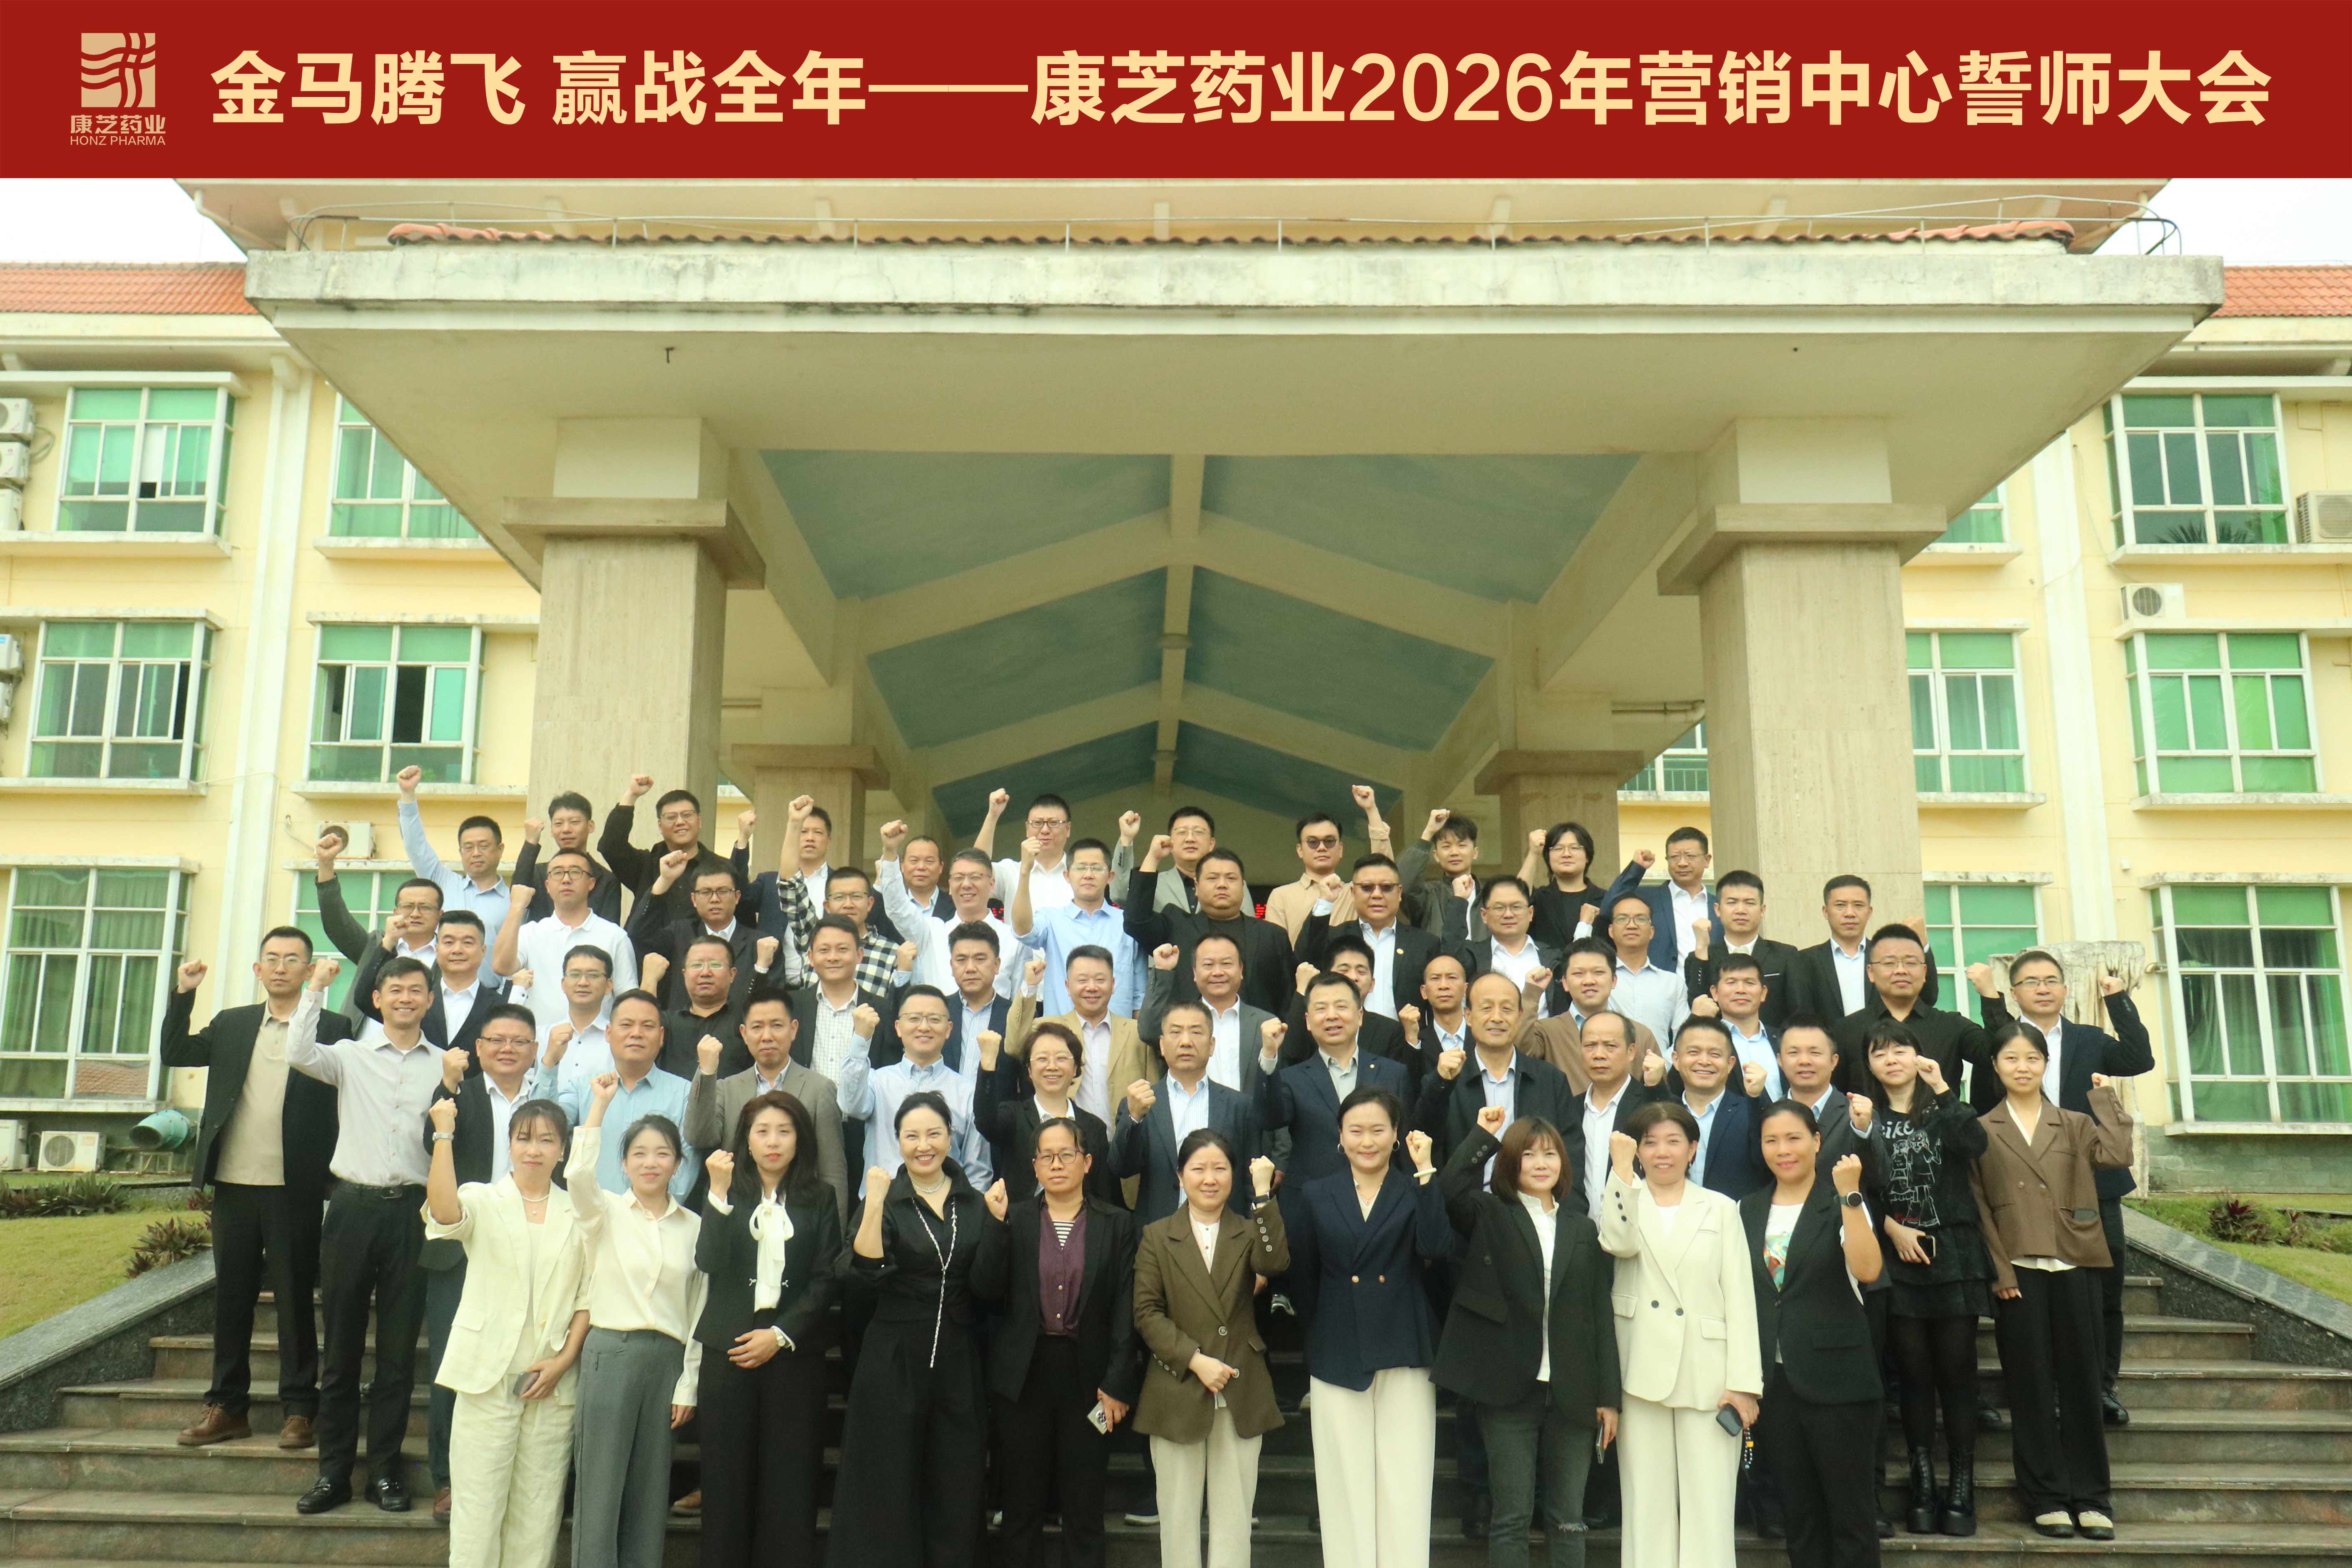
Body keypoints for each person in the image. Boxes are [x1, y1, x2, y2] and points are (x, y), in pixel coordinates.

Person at [159, 930, 350, 1451]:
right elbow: (176, 1051)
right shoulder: (233, 1023)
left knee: (294, 1299)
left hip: (295, 1185)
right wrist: (184, 993)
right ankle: (227, 1406)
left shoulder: (333, 1027)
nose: (281, 967)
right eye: (272, 958)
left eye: (292, 959)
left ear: (309, 970)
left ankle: (300, 1409)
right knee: (232, 1299)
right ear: (257, 969)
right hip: (234, 1183)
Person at [1967, 951, 2155, 1424]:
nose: (2043, 988)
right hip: (2023, 1193)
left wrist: (2117, 1000)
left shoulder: (2089, 1039)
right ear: (2015, 993)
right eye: (2031, 981)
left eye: (2051, 980)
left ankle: (2101, 1387)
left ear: (2066, 989)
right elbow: (1984, 1109)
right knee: (2037, 1297)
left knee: (2104, 1293)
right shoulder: (2004, 1045)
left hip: (2093, 1185)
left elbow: (2139, 1058)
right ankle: (2045, 1388)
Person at [283, 955, 439, 1515]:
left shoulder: (446, 1065)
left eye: (415, 990)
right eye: (395, 989)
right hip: (352, 1208)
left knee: (398, 1355)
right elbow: (298, 1052)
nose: (405, 998)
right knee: (342, 1352)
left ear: (429, 999)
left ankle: (385, 1472)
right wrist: (314, 990)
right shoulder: (350, 1055)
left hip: (413, 1213)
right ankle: (333, 1474)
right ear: (377, 998)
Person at [1971, 1022, 2133, 1541]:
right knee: (2030, 1385)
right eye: (2011, 1058)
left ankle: (2092, 1497)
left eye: (2032, 1058)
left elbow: (2118, 1155)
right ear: (1995, 1066)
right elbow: (1979, 1208)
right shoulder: (1981, 1129)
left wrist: (2105, 1098)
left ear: (2046, 1065)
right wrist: (1999, 1271)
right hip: (2018, 1270)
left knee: (2083, 1383)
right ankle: (2045, 1496)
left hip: (2075, 1261)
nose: (2022, 1067)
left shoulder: (2075, 1122)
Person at [1436, 1109, 1620, 1568]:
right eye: (1529, 1154)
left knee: (1568, 1519)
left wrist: (1609, 1397)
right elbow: (1449, 1189)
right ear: (1510, 1163)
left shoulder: (1582, 1227)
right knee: (1511, 1517)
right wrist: (1484, 1134)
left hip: (1574, 1391)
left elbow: (1598, 1314)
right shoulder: (1492, 1213)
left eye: (1550, 1153)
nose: (1541, 1163)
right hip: (1509, 1390)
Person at [831, 1093, 1006, 1568]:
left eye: (934, 1134)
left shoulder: (975, 1203)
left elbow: (989, 1287)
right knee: (887, 1482)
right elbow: (863, 1273)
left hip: (958, 1357)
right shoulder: (887, 1198)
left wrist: (996, 1224)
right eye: (911, 1136)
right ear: (898, 1140)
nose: (923, 1145)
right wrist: (873, 1202)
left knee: (956, 1480)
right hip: (893, 1355)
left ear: (951, 1137)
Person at [421, 1093, 588, 1568]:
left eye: (547, 1140)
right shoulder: (482, 1198)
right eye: (524, 1138)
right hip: (486, 1377)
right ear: (510, 1144)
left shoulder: (581, 1212)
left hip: (550, 1383)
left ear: (563, 1150)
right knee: (477, 1512)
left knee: (538, 1516)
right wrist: (443, 1134)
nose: (534, 1149)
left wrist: (564, 1361)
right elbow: (444, 1214)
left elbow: (587, 1297)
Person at [972, 1115, 1144, 1568]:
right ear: (1033, 1165)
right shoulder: (1014, 1218)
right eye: (1046, 1156)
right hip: (1022, 1377)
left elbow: (1126, 1308)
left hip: (1091, 1378)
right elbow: (985, 1289)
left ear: (1087, 1162)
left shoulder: (1118, 1224)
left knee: (1084, 1507)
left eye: (1066, 1154)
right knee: (1021, 1506)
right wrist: (994, 1225)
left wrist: (1118, 1382)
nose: (1056, 1164)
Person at [1289, 1087, 1450, 1568]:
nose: (1367, 1141)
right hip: (1337, 1346)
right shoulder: (1316, 1193)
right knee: (1344, 1486)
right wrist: (1321, 1334)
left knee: (1406, 1482)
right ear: (1340, 1136)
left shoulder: (1415, 1186)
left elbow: (1437, 1247)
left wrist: (1426, 1171)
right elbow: (1304, 1278)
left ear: (1396, 1134)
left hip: (1405, 1343)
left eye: (1378, 1130)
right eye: (1356, 1130)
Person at [1598, 1101, 1763, 1568]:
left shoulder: (1721, 1208)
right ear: (1636, 1151)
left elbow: (1740, 1297)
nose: (1662, 1152)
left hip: (1708, 1374)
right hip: (1639, 1371)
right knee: (1644, 1507)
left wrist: (1744, 1383)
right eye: (1649, 1143)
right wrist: (1620, 1173)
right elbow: (1617, 1243)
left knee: (1710, 1508)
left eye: (1673, 1142)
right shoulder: (1623, 1198)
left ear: (1693, 1149)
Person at [694, 1091, 843, 1568]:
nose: (773, 1141)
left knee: (790, 1483)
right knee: (726, 1483)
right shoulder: (726, 1191)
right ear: (747, 1140)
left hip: (794, 1351)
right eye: (762, 1131)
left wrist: (779, 1334)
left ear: (801, 1139)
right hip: (729, 1348)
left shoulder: (820, 1198)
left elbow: (826, 1278)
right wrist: (718, 1193)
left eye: (784, 1131)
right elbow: (708, 1260)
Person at [1859, 1018, 1993, 1538]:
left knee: (1957, 1373)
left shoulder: (1944, 1107)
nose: (1891, 1059)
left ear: (1919, 1056)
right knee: (1913, 1374)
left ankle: (1961, 1486)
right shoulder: (1866, 1116)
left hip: (1953, 1255)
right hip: (1897, 1258)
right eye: (1879, 1053)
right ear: (1869, 1065)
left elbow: (1976, 1143)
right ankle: (1922, 1484)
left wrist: (1942, 1087)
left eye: (1900, 1049)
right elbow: (1857, 1187)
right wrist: (1890, 1227)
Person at [567, 1073, 705, 1568]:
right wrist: (600, 1106)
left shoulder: (695, 1227)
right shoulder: (604, 1211)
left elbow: (698, 1311)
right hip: (611, 1353)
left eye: (663, 1153)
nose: (651, 1162)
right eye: (640, 1153)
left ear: (678, 1164)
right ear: (624, 1164)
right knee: (600, 1488)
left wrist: (689, 1383)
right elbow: (577, 1175)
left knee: (650, 1491)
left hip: (666, 1362)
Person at [1132, 1131, 1287, 1568]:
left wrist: (1263, 1196)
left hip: (1240, 1384)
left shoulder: (1249, 1228)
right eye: (1198, 1169)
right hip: (1177, 1386)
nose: (1210, 1178)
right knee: (1177, 1522)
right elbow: (1146, 1312)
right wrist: (1195, 1360)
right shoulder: (1156, 1235)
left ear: (1234, 1176)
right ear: (1180, 1176)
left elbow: (1275, 1262)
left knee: (1235, 1521)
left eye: (1220, 1168)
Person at [1741, 1104, 1884, 1568]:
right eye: (1771, 1140)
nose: (1783, 1150)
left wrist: (1850, 1196)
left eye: (1794, 1138)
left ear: (1817, 1141)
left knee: (1851, 1517)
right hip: (1776, 1385)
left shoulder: (1841, 1200)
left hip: (1839, 1382)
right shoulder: (1747, 1208)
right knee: (1799, 1518)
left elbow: (1868, 1269)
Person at [418, 1003, 544, 1521]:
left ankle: (518, 1479)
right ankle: (449, 1479)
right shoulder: (458, 1095)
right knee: (453, 1363)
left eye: (519, 1041)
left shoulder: (547, 1099)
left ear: (534, 1049)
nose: (508, 1048)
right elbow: (429, 1142)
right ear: (480, 1048)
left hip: (531, 1247)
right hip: (461, 1247)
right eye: (497, 1040)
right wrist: (447, 1085)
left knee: (524, 1358)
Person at [682, 988, 850, 1226]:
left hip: (801, 1219)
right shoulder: (727, 1089)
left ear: (793, 1030)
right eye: (757, 1027)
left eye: (777, 1026)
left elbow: (833, 1172)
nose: (767, 1036)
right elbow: (697, 1137)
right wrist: (707, 1073)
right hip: (738, 1217)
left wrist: (835, 1235)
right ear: (744, 1033)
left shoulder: (820, 1089)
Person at [1113, 998, 1261, 1225]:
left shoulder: (1240, 1106)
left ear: (1211, 1045)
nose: (1185, 1042)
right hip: (1159, 1231)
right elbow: (1121, 1168)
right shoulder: (1139, 1103)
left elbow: (1251, 1181)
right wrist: (1133, 1119)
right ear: (1162, 1045)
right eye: (1176, 1032)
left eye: (1196, 1032)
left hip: (1225, 1231)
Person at [1259, 972, 1412, 1189]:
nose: (1331, 1016)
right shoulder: (1291, 1079)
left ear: (1360, 1016)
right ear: (1308, 1021)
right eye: (1321, 1009)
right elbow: (1268, 1119)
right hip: (1311, 1201)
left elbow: (1404, 1147)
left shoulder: (1393, 1074)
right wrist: (1269, 1055)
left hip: (1381, 1197)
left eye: (1341, 1007)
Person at [835, 984, 995, 1185]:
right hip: (883, 1200)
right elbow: (849, 1105)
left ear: (949, 1029)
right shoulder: (876, 1081)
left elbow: (978, 1171)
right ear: (898, 1028)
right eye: (914, 1019)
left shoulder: (968, 1092)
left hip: (945, 1202)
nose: (924, 1027)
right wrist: (860, 1040)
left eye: (934, 1019)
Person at [1124, 842, 1294, 1015]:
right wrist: (1153, 858)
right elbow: (1136, 920)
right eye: (1213, 878)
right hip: (1190, 1029)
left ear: (1243, 887)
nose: (1222, 885)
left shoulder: (1273, 936)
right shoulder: (1175, 925)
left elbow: (1288, 999)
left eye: (1231, 878)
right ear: (1197, 887)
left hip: (1257, 1031)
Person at [1829, 925, 1990, 1102]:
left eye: (1911, 963)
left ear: (1925, 972)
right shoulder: (1846, 1030)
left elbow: (1996, 1056)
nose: (1901, 971)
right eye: (1889, 963)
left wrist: (1990, 995)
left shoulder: (1952, 1026)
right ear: (1871, 973)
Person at [976, 1020, 1124, 1207]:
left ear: (1076, 1069)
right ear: (1029, 1071)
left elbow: (1104, 1194)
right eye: (1042, 1059)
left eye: (1061, 1059)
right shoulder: (1013, 1117)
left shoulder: (1094, 1127)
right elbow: (985, 1121)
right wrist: (988, 1062)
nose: (1052, 1066)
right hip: (1022, 1222)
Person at [1296, 852, 1451, 1023]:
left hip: (1407, 1036)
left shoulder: (1425, 944)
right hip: (1346, 1036)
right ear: (1353, 892)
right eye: (1367, 887)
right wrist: (1326, 901)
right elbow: (1305, 958)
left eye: (1387, 887)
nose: (1377, 895)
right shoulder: (1336, 938)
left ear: (1400, 892)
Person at [493, 852, 637, 1033]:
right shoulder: (531, 933)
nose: (566, 880)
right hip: (540, 1042)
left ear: (591, 883)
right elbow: (502, 967)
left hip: (597, 1041)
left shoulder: (615, 936)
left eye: (575, 872)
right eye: (558, 873)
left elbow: (628, 999)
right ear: (547, 885)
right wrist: (517, 907)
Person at [1009, 946, 1152, 1125]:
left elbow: (1153, 1090)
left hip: (1127, 1136)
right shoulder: (1049, 1029)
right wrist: (1030, 986)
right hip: (1067, 1138)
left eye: (1100, 980)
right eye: (1082, 980)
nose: (1091, 988)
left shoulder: (1138, 1033)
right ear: (1068, 987)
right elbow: (1015, 1046)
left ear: (1113, 984)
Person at [311, 831, 441, 1023]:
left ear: (440, 915)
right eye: (408, 907)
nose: (415, 914)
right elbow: (338, 925)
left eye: (425, 907)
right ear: (395, 912)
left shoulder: (449, 955)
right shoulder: (376, 944)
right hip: (362, 1041)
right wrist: (326, 864)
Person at [883, 822, 1022, 999]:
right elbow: (897, 908)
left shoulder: (1013, 940)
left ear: (992, 884)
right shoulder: (931, 932)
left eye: (975, 877)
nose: (966, 885)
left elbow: (1019, 1002)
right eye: (959, 878)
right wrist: (890, 851)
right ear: (950, 886)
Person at [1010, 831, 1140, 1015]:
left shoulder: (1128, 923)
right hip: (1061, 1032)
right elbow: (1023, 930)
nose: (1088, 875)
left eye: (1097, 868)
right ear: (1067, 876)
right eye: (1080, 868)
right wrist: (1025, 871)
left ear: (1111, 877)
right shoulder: (1051, 920)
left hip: (1118, 1031)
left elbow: (1139, 996)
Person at [1139, 932, 1280, 1098]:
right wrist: (1163, 971)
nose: (1218, 972)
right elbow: (1149, 1031)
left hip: (1250, 1114)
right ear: (1195, 972)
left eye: (1226, 964)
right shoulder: (1180, 1020)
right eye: (1208, 965)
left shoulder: (1265, 1023)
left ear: (1241, 969)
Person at [1788, 877, 1941, 1024]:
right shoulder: (1804, 961)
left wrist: (1923, 945)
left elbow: (1928, 998)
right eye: (1840, 905)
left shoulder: (1888, 958)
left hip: (1885, 1040)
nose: (1850, 913)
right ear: (1826, 911)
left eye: (1858, 905)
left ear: (1870, 911)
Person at [628, 854, 771, 1012]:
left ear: (737, 897)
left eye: (723, 891)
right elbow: (639, 935)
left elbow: (770, 1003)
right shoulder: (680, 933)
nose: (715, 899)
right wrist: (665, 880)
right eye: (706, 892)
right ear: (694, 900)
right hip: (684, 1025)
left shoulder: (761, 945)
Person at [396, 765, 514, 946]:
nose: (476, 853)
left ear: (500, 849)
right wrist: (407, 795)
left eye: (484, 846)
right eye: (468, 847)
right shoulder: (443, 882)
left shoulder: (515, 901)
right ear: (460, 852)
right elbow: (416, 846)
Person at [1526, 938, 1665, 1088]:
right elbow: (1521, 1053)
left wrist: (1655, 1084)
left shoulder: (1640, 1034)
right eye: (1578, 974)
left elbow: (1661, 1097)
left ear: (1614, 980)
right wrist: (1531, 993)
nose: (1589, 981)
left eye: (1598, 973)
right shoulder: (1546, 1031)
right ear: (1565, 983)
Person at [601, 775, 732, 928]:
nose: (680, 822)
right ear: (660, 826)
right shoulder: (645, 865)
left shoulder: (721, 867)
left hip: (703, 943)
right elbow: (611, 847)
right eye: (671, 818)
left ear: (700, 821)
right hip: (647, 942)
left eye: (687, 815)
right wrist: (632, 795)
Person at [1682, 871, 1800, 1035]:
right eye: (1732, 903)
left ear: (1762, 910)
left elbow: (1798, 1012)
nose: (1741, 910)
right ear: (1717, 909)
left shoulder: (1786, 955)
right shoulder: (1700, 958)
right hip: (1717, 1046)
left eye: (1749, 903)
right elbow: (1698, 1006)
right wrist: (1702, 949)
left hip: (1772, 1044)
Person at [1671, 1018, 1771, 1200]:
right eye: (1694, 1052)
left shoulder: (1751, 1112)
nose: (1704, 1061)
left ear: (1731, 1064)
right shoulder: (1663, 1114)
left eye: (1715, 1054)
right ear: (1676, 1060)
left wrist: (1758, 1097)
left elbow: (1766, 1164)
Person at [1601, 831, 1722, 972]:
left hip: (1710, 985)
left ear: (1707, 860)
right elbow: (1608, 908)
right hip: (1658, 984)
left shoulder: (1720, 907)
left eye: (1690, 856)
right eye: (1675, 857)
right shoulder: (1647, 900)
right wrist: (1637, 869)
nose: (1682, 863)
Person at [512, 791, 621, 922]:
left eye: (575, 822)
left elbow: (610, 928)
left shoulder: (607, 880)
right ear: (551, 830)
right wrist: (531, 842)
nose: (566, 830)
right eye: (559, 824)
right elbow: (517, 892)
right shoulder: (539, 873)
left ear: (591, 826)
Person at [1464, 876, 1563, 1017]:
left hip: (1543, 1031)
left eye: (1516, 907)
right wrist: (1460, 900)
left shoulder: (1555, 958)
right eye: (1499, 908)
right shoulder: (1472, 956)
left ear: (1530, 913)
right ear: (1484, 915)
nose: (1508, 915)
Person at [1599, 892, 1687, 1049]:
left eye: (1641, 919)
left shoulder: (1673, 983)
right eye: (1622, 919)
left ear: (1652, 932)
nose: (1632, 926)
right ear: (1611, 931)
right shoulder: (1599, 980)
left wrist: (1663, 1062)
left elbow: (1684, 1038)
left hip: (1660, 1063)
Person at [978, 789, 1083, 915]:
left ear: (1068, 829)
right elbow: (976, 869)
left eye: (1054, 823)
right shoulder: (1011, 871)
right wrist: (993, 815)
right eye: (1037, 823)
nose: (1045, 830)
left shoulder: (1083, 873)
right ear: (1027, 829)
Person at [1399, 808, 1486, 945]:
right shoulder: (1429, 896)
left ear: (1475, 853)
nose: (1454, 853)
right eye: (1446, 847)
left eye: (1462, 845)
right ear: (1436, 855)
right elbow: (1404, 885)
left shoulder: (1490, 895)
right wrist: (1428, 833)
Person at [1263, 809, 1352, 941]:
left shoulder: (1354, 893)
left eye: (1329, 841)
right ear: (1300, 850)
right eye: (1313, 842)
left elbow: (1381, 868)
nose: (1322, 848)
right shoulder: (1281, 896)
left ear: (1340, 849)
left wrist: (1371, 810)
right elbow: (1276, 948)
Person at [1518, 822, 1603, 953]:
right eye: (1558, 849)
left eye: (1575, 848)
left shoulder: (1604, 899)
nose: (1566, 854)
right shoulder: (1539, 898)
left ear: (1587, 856)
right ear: (1548, 858)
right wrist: (1534, 853)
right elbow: (1516, 899)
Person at [533, 944, 615, 1079]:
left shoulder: (618, 1038)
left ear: (608, 985)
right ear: (564, 984)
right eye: (575, 975)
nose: (583, 983)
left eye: (594, 975)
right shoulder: (540, 1036)